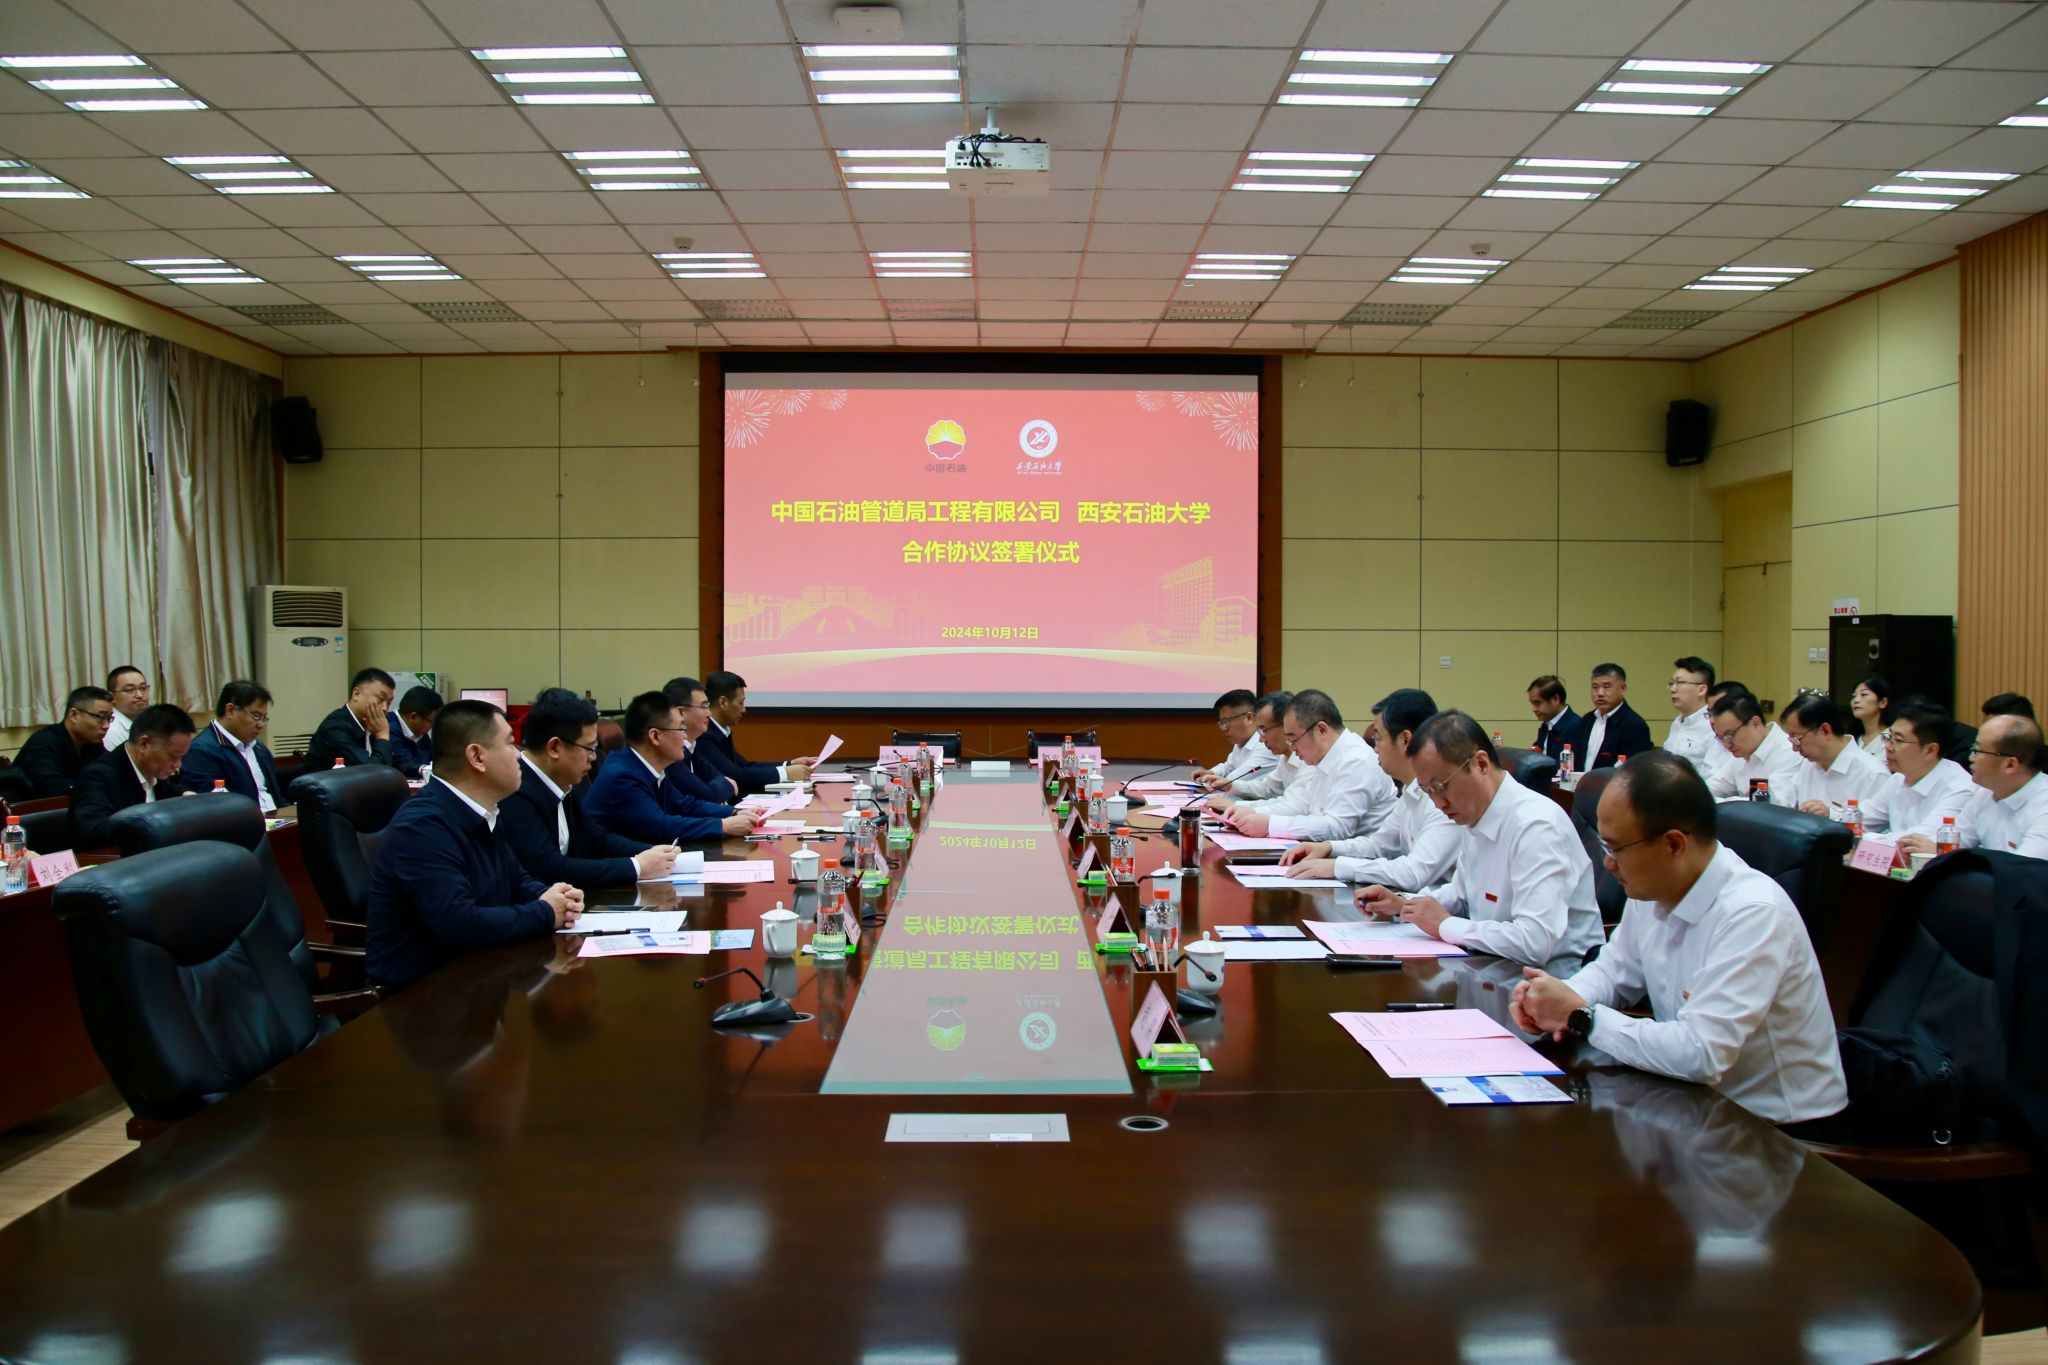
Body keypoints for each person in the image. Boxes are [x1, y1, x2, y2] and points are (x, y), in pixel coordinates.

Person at [1511, 751, 1849, 1130]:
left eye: (1615, 848)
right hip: (1694, 1104)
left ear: (1673, 845)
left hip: (1776, 1131)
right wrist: (1556, 999)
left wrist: (1580, 1017)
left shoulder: (1753, 912)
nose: (1607, 862)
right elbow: (1614, 972)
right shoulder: (1653, 888)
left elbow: (1702, 1053)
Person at [1358, 711, 1604, 970]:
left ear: (1481, 764)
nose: (1438, 803)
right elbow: (1462, 896)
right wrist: (1404, 905)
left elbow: (1534, 943)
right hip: (1494, 967)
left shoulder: (1537, 825)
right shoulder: (1476, 813)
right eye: (1428, 791)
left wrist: (1444, 924)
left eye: (1440, 787)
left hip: (1551, 981)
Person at [365, 700, 582, 991]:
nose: (519, 755)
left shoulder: (484, 811)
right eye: (510, 744)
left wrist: (555, 897)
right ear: (477, 757)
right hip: (421, 996)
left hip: (480, 978)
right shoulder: (423, 826)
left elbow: (515, 879)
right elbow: (459, 924)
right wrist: (546, 911)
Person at [1279, 688, 1456, 890]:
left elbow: (1414, 873)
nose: (1375, 748)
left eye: (1378, 738)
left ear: (1405, 740)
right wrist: (1329, 848)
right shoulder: (1411, 792)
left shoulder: (1442, 798)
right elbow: (1378, 845)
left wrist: (1338, 866)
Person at [500, 690, 679, 889]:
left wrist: (655, 853)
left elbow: (597, 839)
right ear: (554, 748)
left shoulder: (566, 780)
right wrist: (636, 866)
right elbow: (548, 868)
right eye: (589, 748)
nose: (594, 758)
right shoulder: (515, 792)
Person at [1210, 689, 1396, 841]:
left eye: (1293, 739)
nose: (1292, 747)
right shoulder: (1326, 755)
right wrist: (1250, 813)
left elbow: (1338, 828)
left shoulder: (1354, 761)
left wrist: (1269, 824)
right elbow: (1304, 805)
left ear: (1321, 730)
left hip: (1361, 861)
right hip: (1332, 853)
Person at [584, 691, 760, 845]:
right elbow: (661, 825)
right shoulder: (623, 776)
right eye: (681, 728)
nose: (684, 736)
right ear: (655, 736)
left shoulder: (647, 765)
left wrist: (734, 812)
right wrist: (722, 826)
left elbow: (684, 806)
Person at [1901, 714, 2048, 860]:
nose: (1970, 757)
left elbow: (2024, 869)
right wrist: (1922, 848)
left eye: (1978, 751)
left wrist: (1948, 856)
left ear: (2010, 764)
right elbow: (1955, 842)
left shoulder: (2043, 807)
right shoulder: (1985, 792)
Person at [70, 704, 196, 848]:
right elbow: (95, 832)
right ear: (144, 744)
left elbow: (170, 790)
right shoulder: (97, 777)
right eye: (173, 756)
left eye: (181, 757)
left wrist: (186, 794)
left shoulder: (153, 770)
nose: (178, 765)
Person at [1860, 701, 1974, 841]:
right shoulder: (1898, 778)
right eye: (1889, 737)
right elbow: (1862, 818)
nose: (1888, 747)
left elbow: (1916, 841)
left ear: (1930, 750)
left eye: (1898, 740)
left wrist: (1865, 839)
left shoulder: (1959, 790)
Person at [696, 671, 815, 797]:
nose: (744, 709)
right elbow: (736, 775)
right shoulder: (705, 735)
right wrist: (785, 773)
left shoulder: (720, 731)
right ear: (723, 702)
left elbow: (745, 766)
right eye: (740, 703)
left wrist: (789, 764)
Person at [1779, 693, 1887, 818]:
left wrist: (1832, 815)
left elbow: (1874, 825)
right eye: (1791, 740)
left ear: (1826, 731)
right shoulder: (1808, 764)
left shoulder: (1873, 774)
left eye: (1797, 739)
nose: (1794, 748)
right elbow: (1786, 804)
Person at [180, 680, 282, 812]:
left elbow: (277, 797)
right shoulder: (201, 750)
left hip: (278, 819)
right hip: (245, 822)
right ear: (230, 710)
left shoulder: (259, 748)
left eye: (264, 718)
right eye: (256, 716)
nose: (261, 724)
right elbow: (211, 809)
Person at [11, 686, 113, 797]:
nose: (106, 726)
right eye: (100, 717)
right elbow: (50, 787)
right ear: (74, 715)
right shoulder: (44, 742)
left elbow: (112, 769)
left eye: (109, 718)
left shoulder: (92, 743)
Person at [1706, 692, 1804, 806]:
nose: (1726, 744)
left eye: (1730, 735)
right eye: (1721, 738)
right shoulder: (1741, 754)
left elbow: (1775, 805)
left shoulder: (1789, 751)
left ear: (1755, 723)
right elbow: (1709, 789)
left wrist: (1725, 802)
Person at [664, 676, 748, 804]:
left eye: (708, 706)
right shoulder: (671, 754)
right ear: (681, 712)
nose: (709, 713)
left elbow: (720, 778)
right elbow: (708, 795)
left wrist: (719, 792)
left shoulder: (692, 746)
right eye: (704, 707)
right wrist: (723, 791)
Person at [1207, 691, 1298, 800]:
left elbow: (1293, 805)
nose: (1261, 738)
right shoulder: (1284, 757)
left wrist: (1236, 805)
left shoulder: (1307, 761)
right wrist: (1231, 785)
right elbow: (1267, 789)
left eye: (1264, 730)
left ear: (1286, 726)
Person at [306, 667, 400, 769]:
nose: (385, 708)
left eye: (389, 703)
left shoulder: (373, 725)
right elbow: (370, 772)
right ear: (356, 694)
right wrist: (382, 735)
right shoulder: (334, 728)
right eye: (380, 699)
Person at [1568, 663, 1653, 771]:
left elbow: (1635, 771)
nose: (1600, 693)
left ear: (1623, 688)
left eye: (1607, 687)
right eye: (1595, 687)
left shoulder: (1635, 725)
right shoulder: (1587, 719)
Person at [1662, 656, 1729, 782]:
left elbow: (1715, 777)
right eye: (1671, 683)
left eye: (1680, 683)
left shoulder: (1712, 726)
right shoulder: (1678, 722)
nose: (1673, 689)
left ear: (1702, 689)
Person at [1194, 689, 1267, 790]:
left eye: (1226, 722)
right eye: (1222, 723)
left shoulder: (1265, 745)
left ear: (1249, 718)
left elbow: (1233, 780)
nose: (1224, 728)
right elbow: (1228, 767)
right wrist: (1211, 772)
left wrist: (1211, 779)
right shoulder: (1242, 741)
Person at [388, 685, 443, 774]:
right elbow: (403, 762)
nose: (432, 727)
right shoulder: (389, 727)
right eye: (432, 722)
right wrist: (426, 769)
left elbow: (431, 758)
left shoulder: (419, 731)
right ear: (414, 717)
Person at [1526, 675, 1578, 765]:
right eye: (1532, 703)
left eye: (1537, 703)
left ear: (1555, 699)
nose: (1534, 709)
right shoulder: (1546, 725)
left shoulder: (1577, 726)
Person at [101, 665, 151, 751]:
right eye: (130, 690)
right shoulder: (111, 731)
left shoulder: (152, 721)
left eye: (143, 688)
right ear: (112, 696)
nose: (139, 695)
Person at [1849, 676, 1892, 759]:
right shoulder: (1852, 739)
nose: (1856, 700)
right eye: (1854, 696)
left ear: (1882, 702)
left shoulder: (1891, 738)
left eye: (1864, 694)